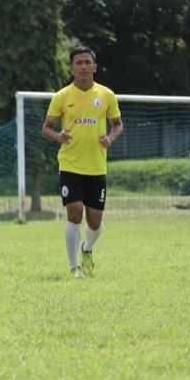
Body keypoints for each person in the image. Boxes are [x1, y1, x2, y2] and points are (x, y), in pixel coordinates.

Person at [41, 46, 124, 277]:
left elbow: (118, 124)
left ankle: (87, 248)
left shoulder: (106, 95)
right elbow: (46, 128)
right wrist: (59, 136)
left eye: (87, 62)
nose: (83, 67)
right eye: (78, 63)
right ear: (71, 68)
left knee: (95, 223)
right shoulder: (62, 96)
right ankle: (74, 267)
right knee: (74, 214)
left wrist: (110, 138)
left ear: (95, 67)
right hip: (70, 164)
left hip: (96, 166)